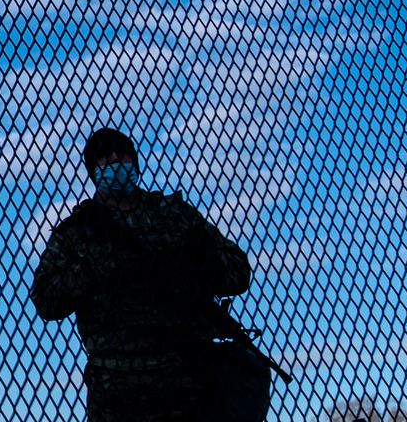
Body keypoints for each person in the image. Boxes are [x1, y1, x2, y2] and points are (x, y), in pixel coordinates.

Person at [30, 128, 252, 422]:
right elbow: (45, 299)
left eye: (121, 152)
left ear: (134, 161)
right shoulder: (78, 231)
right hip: (119, 388)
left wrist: (200, 265)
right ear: (93, 171)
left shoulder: (174, 215)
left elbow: (238, 272)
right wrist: (97, 266)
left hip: (191, 377)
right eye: (103, 156)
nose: (113, 158)